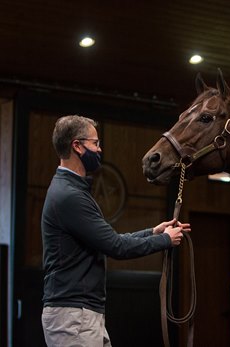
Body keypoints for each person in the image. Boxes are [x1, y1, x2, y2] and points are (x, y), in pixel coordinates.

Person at [41, 115, 191, 347]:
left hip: (81, 313)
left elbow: (111, 239)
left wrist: (154, 232)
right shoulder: (70, 196)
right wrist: (164, 240)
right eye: (95, 143)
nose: (100, 150)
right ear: (77, 146)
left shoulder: (72, 191)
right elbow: (116, 247)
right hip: (74, 315)